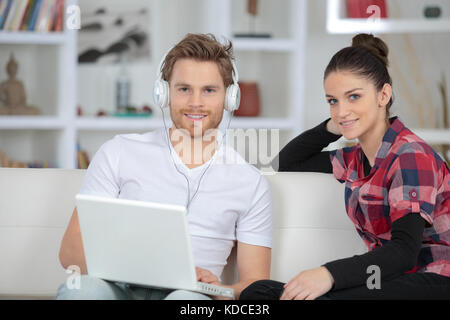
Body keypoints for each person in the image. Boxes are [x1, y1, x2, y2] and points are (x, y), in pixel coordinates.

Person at [56, 33, 273, 300]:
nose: (196, 102)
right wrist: (150, 271)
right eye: (184, 89)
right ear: (164, 93)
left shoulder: (250, 182)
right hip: (117, 288)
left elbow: (255, 284)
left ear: (230, 98)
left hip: (190, 295)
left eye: (209, 90)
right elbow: (70, 252)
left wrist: (217, 289)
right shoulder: (119, 152)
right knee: (83, 291)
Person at [240, 33, 450, 300]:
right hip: (387, 279)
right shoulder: (354, 159)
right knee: (259, 292)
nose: (341, 110)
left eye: (353, 97)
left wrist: (328, 274)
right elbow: (285, 162)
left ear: (383, 94)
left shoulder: (410, 155)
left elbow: (404, 252)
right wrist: (336, 125)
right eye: (333, 101)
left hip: (434, 279)